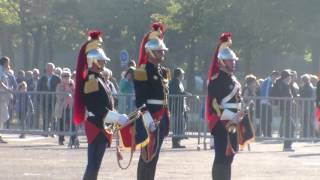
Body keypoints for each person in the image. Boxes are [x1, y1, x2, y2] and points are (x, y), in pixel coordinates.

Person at [73, 30, 129, 180]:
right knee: (93, 164)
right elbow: (97, 108)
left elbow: (106, 103)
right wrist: (117, 118)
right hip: (97, 125)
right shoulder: (92, 81)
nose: (104, 62)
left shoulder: (99, 79)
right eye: (102, 60)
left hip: (102, 125)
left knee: (95, 164)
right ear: (94, 61)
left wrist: (115, 117)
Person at [134, 22, 170, 180]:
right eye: (158, 51)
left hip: (161, 116)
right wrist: (148, 119)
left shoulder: (162, 71)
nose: (162, 53)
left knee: (154, 156)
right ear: (150, 51)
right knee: (146, 156)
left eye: (162, 50)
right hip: (149, 117)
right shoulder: (142, 70)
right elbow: (140, 99)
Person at [206, 32, 243, 180]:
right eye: (230, 61)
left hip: (234, 120)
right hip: (222, 122)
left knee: (230, 156)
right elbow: (213, 103)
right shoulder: (216, 80)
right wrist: (229, 116)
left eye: (233, 61)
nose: (233, 63)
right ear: (221, 62)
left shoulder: (233, 79)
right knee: (221, 156)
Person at [272, 70, 294, 151]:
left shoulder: (284, 84)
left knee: (290, 126)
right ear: (286, 77)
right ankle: (287, 146)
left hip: (286, 108)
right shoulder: (282, 84)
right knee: (291, 126)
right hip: (284, 109)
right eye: (289, 76)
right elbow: (282, 95)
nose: (291, 78)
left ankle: (287, 145)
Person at [169, 68, 191, 148]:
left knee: (180, 124)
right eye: (182, 74)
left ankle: (178, 141)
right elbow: (175, 93)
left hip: (180, 107)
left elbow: (180, 93)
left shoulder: (178, 82)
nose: (183, 75)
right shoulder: (174, 82)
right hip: (176, 107)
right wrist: (185, 93)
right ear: (179, 74)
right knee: (177, 125)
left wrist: (185, 106)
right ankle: (175, 143)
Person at [55, 70, 78, 146]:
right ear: (61, 78)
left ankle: (73, 138)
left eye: (67, 76)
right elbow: (58, 96)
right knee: (61, 123)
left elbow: (76, 94)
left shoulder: (73, 85)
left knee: (72, 123)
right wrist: (66, 93)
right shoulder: (59, 86)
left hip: (71, 106)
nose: (66, 78)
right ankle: (61, 139)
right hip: (62, 107)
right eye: (64, 76)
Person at [37, 62, 61, 134]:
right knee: (45, 116)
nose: (48, 70)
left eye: (50, 68)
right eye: (47, 68)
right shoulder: (42, 78)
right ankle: (45, 131)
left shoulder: (57, 78)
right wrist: (39, 99)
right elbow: (38, 89)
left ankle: (52, 131)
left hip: (54, 101)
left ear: (53, 69)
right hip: (44, 101)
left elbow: (60, 88)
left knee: (53, 116)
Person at [259, 70, 280, 137]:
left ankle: (267, 133)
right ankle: (267, 134)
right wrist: (268, 100)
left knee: (267, 119)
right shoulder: (268, 81)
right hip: (265, 102)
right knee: (267, 119)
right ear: (273, 76)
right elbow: (267, 91)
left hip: (265, 102)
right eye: (276, 77)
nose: (276, 79)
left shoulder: (267, 80)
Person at [0, 56, 13, 143]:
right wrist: (6, 89)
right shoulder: (0, 69)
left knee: (2, 116)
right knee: (2, 115)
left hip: (2, 96)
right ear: (4, 63)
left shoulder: (3, 70)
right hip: (1, 95)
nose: (9, 64)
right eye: (8, 62)